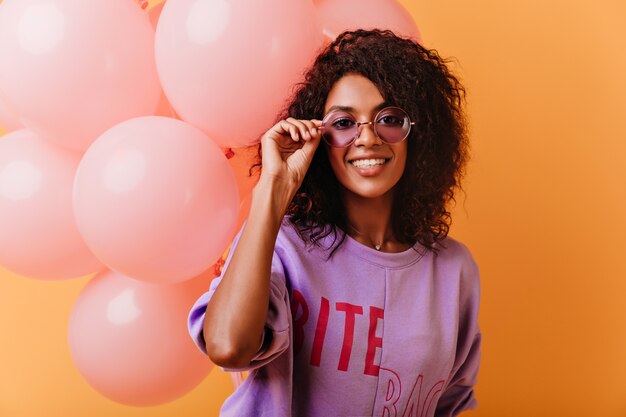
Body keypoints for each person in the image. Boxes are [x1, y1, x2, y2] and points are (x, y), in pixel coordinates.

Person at [188, 29, 481, 417]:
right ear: (320, 136)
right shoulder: (284, 245)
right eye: (343, 123)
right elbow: (227, 346)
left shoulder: (453, 269)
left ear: (418, 133)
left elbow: (449, 403)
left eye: (389, 118)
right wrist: (273, 191)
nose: (368, 138)